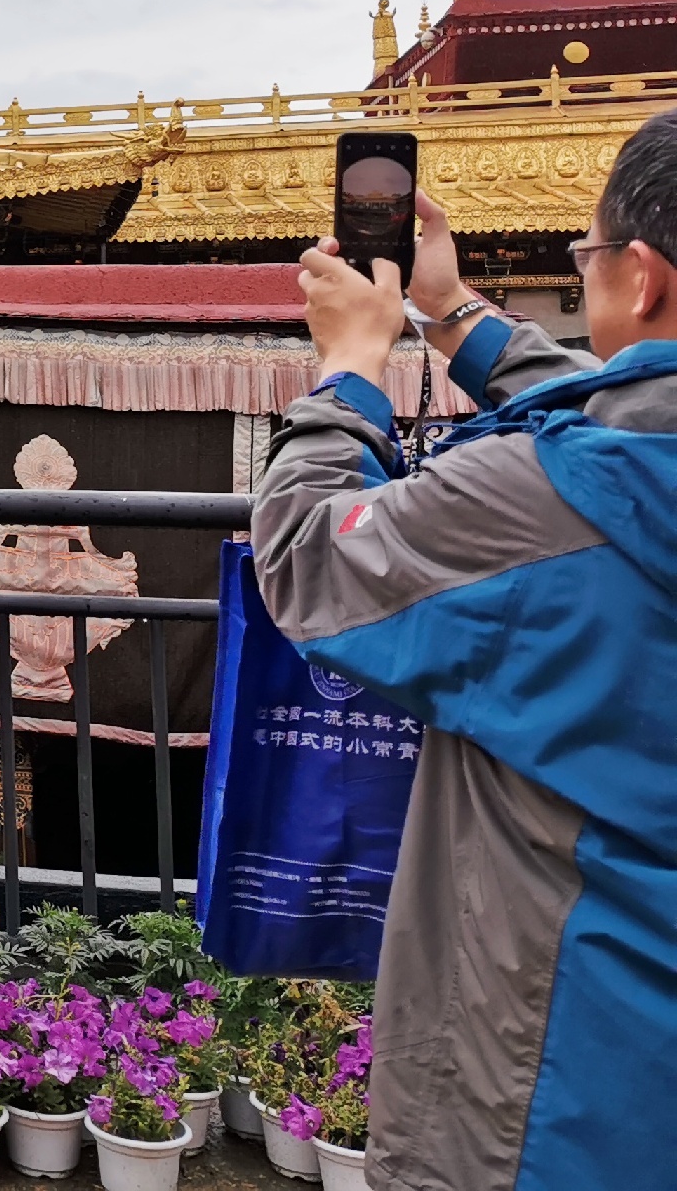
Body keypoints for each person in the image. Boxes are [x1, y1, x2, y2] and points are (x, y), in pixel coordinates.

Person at [254, 115, 677, 1191]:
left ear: (639, 277)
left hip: (564, 1065)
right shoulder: (587, 479)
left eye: (581, 262)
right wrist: (453, 315)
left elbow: (309, 560)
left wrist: (349, 370)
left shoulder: (539, 501)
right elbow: (630, 417)